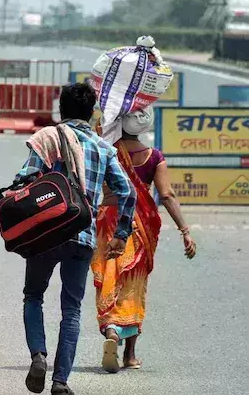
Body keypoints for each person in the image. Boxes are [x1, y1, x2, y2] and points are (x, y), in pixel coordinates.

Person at [14, 83, 136, 395]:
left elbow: (24, 179)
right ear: (91, 112)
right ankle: (60, 381)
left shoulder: (47, 138)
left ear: (61, 110)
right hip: (82, 235)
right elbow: (127, 192)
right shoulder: (103, 148)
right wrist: (121, 235)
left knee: (33, 296)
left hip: (44, 234)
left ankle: (38, 355)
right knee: (71, 309)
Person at [92, 109, 197, 374]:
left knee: (110, 276)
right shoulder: (154, 157)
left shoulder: (106, 150)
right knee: (134, 284)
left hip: (108, 220)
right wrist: (184, 230)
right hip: (138, 227)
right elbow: (167, 195)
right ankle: (129, 354)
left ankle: (111, 329)